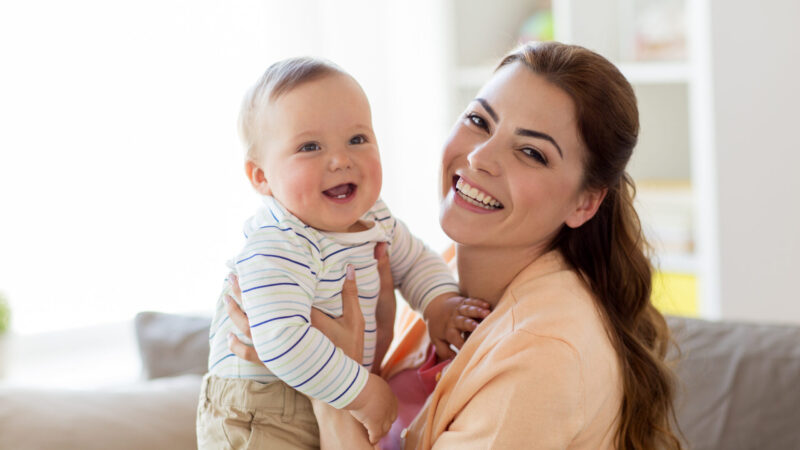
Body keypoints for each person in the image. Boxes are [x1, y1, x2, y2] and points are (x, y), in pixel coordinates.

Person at [227, 42, 683, 449]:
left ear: (585, 202)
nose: (480, 157)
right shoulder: (446, 278)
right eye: (479, 120)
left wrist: (329, 391)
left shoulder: (544, 354)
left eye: (531, 152)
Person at [196, 57, 490, 449]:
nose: (339, 159)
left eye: (357, 139)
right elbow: (280, 339)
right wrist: (364, 392)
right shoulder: (278, 241)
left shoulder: (375, 218)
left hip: (331, 388)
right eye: (310, 147)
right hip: (260, 407)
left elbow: (415, 260)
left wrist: (440, 305)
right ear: (262, 177)